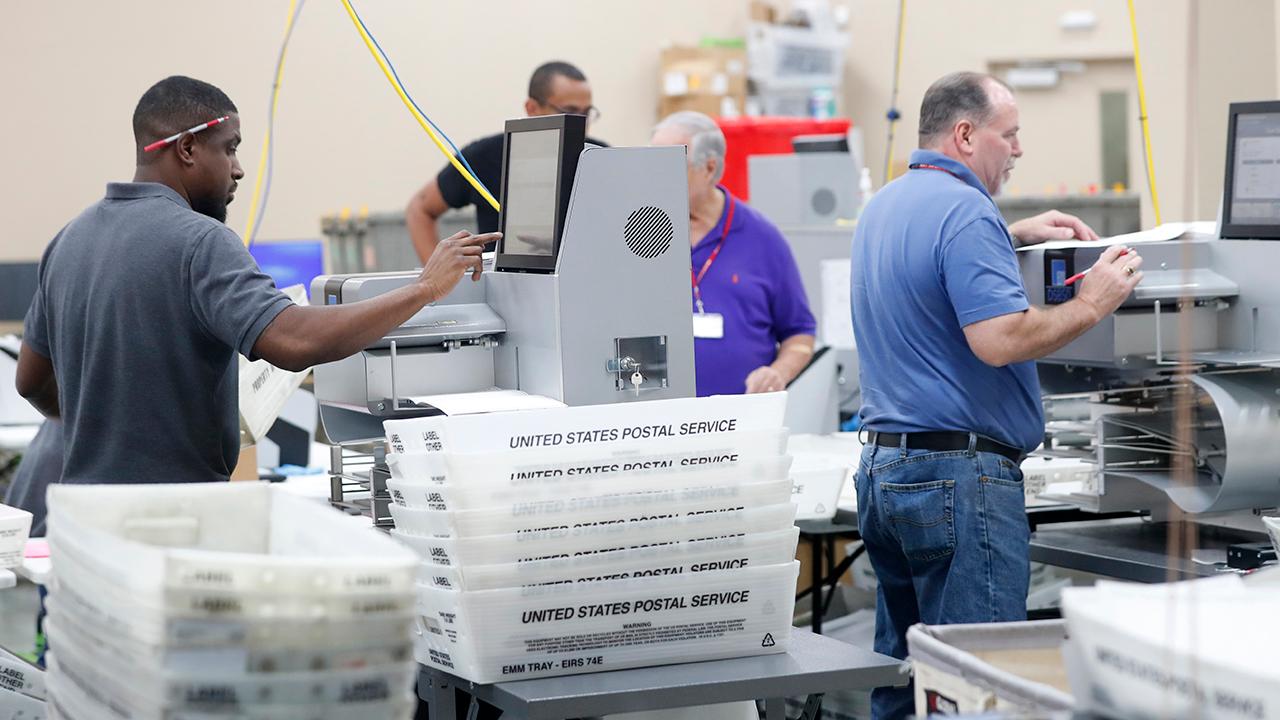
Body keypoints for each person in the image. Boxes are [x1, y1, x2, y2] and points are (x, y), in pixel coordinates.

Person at [15, 75, 498, 486]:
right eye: (230, 149)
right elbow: (294, 339)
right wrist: (424, 289)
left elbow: (31, 380)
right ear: (187, 148)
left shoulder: (69, 240)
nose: (239, 169)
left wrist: (98, 429)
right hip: (174, 517)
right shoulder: (199, 241)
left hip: (83, 518)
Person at [850, 71, 1142, 720]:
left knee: (907, 679)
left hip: (884, 472)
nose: (1017, 150)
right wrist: (1091, 304)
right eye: (1008, 135)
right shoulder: (964, 211)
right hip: (958, 478)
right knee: (979, 686)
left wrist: (1010, 235)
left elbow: (928, 273)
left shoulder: (886, 206)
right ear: (964, 134)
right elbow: (1000, 338)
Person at [651, 111, 817, 397]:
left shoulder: (762, 238)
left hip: (739, 420)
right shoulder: (637, 231)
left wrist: (777, 373)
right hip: (656, 418)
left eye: (668, 166)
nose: (653, 178)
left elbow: (799, 332)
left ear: (709, 168)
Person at [406, 61, 606, 262]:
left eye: (587, 113)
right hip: (503, 289)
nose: (582, 123)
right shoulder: (484, 156)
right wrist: (438, 283)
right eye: (571, 111)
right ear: (532, 108)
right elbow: (420, 209)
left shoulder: (601, 159)